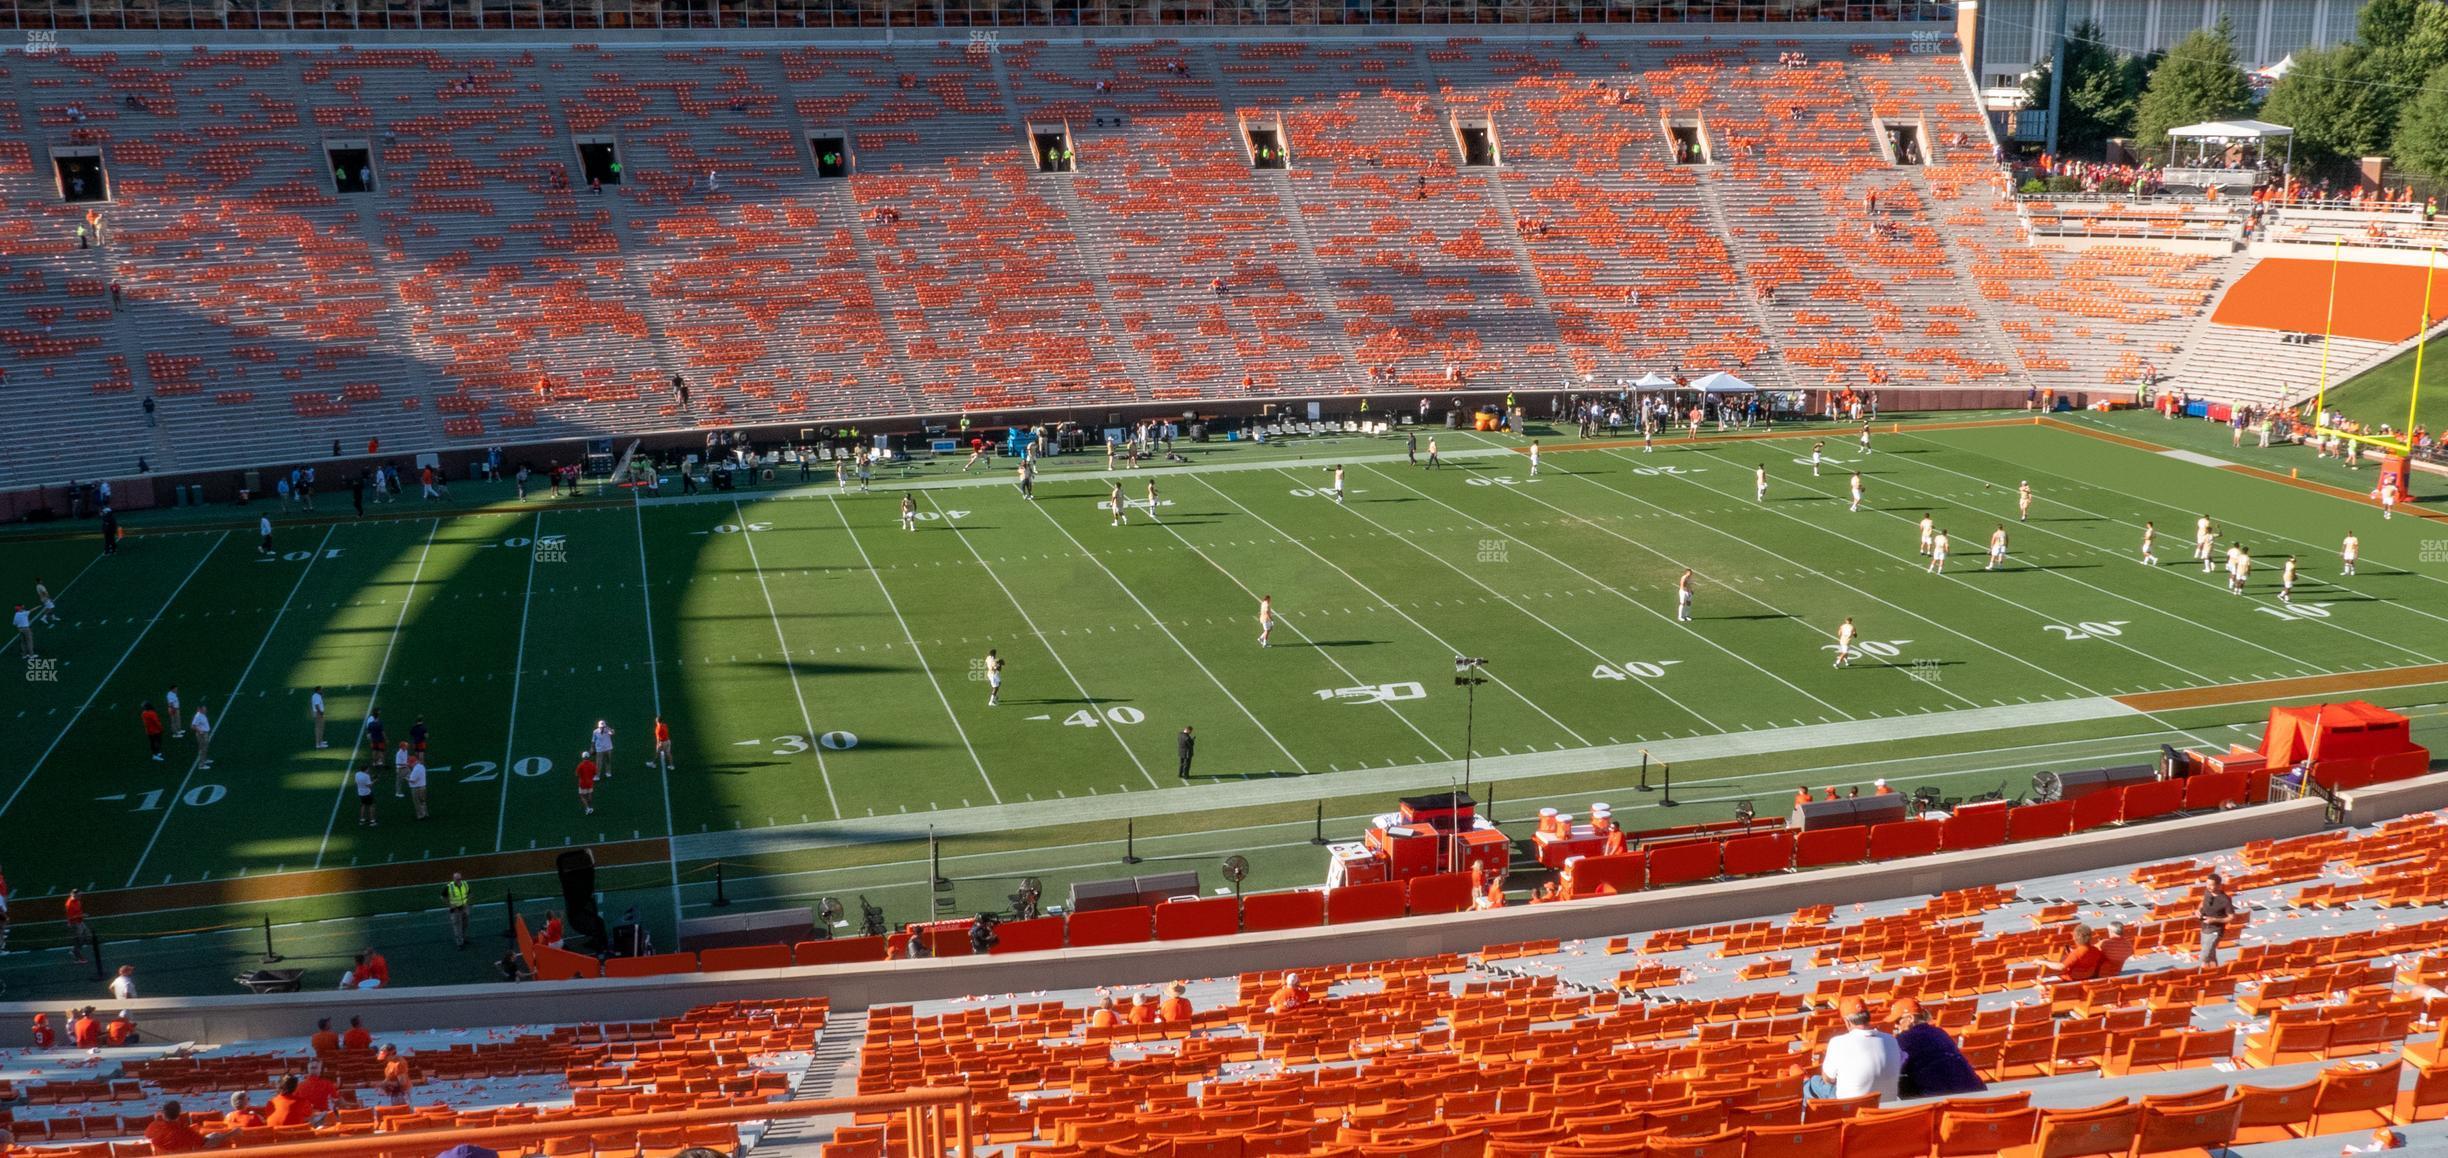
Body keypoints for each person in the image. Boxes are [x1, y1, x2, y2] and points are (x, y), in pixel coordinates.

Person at [1804, 1006, 1902, 1100]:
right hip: (1887, 1102)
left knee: (1812, 1082)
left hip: (1851, 1105)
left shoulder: (1838, 1042)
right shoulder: (1891, 1039)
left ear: (1847, 1021)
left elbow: (1828, 1079)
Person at [1891, 1000, 1984, 1097]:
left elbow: (1892, 1069)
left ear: (1910, 1018)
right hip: (1975, 1089)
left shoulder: (1904, 1039)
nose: (1895, 1026)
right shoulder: (1939, 1032)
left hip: (1943, 1096)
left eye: (1897, 1021)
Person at [142, 1102, 211, 1152]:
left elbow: (147, 1136)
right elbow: (202, 1142)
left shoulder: (154, 1126)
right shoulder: (185, 1131)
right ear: (179, 1114)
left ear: (163, 1114)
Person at [2199, 876, 2234, 964]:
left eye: (2211, 885)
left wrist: (2214, 920)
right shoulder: (2207, 892)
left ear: (2219, 886)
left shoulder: (2225, 900)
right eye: (2207, 884)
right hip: (2204, 928)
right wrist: (2198, 910)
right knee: (2211, 954)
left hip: (2216, 930)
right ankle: (2215, 973)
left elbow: (2231, 917)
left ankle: (2202, 974)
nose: (2208, 886)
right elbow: (2203, 902)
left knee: (2204, 956)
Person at [445, 872, 472, 948]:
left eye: (460, 879)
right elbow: (442, 897)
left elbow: (470, 893)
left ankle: (463, 938)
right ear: (454, 879)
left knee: (465, 924)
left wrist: (467, 902)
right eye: (457, 879)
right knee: (457, 927)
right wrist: (450, 905)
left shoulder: (465, 884)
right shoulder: (449, 887)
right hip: (455, 910)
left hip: (464, 908)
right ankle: (460, 943)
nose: (459, 880)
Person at [189, 701, 214, 769]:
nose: (205, 709)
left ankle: (204, 760)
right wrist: (200, 730)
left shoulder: (203, 714)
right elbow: (192, 726)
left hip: (205, 733)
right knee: (202, 749)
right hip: (202, 735)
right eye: (203, 708)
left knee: (205, 748)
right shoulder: (198, 716)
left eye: (205, 708)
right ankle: (201, 765)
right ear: (200, 709)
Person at [575, 749, 598, 815]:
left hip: (582, 783)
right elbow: (595, 773)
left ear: (582, 757)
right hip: (590, 782)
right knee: (589, 795)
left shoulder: (580, 765)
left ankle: (587, 808)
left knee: (582, 796)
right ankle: (590, 807)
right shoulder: (592, 764)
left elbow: (577, 774)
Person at [354, 763, 377, 827]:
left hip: (360, 793)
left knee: (363, 805)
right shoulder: (366, 776)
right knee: (371, 806)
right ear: (366, 769)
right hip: (367, 793)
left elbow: (356, 783)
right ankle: (372, 821)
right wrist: (375, 780)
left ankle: (362, 820)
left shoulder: (357, 774)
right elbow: (369, 785)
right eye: (368, 769)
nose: (369, 770)